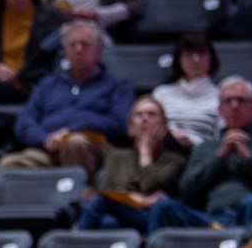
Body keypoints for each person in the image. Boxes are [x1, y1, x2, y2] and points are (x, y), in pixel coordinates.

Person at [0, 20, 131, 174]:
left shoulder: (117, 85)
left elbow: (121, 124)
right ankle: (50, 196)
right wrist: (45, 139)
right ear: (65, 50)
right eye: (72, 45)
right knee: (9, 164)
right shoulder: (47, 84)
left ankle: (79, 194)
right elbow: (25, 122)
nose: (78, 50)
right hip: (51, 148)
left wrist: (75, 127)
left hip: (94, 148)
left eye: (84, 44)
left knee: (75, 142)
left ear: (99, 51)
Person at [74, 96, 185, 232]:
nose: (145, 119)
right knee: (106, 218)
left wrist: (145, 153)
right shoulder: (116, 156)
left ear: (164, 125)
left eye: (152, 114)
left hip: (151, 217)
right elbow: (105, 193)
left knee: (105, 214)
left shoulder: (175, 160)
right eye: (139, 115)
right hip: (120, 212)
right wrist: (136, 199)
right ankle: (75, 242)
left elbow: (149, 186)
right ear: (131, 127)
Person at [150, 33, 221, 149]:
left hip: (203, 154)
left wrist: (194, 141)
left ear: (212, 58)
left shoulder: (222, 95)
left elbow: (221, 138)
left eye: (201, 53)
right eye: (189, 54)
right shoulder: (161, 93)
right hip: (165, 152)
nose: (196, 59)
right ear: (178, 59)